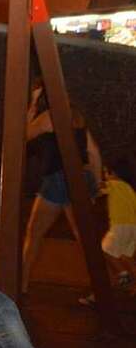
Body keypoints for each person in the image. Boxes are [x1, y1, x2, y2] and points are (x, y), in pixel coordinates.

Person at [21, 78, 102, 293]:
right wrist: (96, 186)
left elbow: (23, 135)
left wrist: (33, 103)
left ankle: (21, 284)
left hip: (57, 179)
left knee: (34, 233)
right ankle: (101, 287)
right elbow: (93, 152)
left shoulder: (49, 116)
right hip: (82, 178)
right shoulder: (77, 117)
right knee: (85, 238)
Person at [79, 156, 136, 305]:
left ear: (114, 173)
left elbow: (98, 189)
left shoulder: (113, 184)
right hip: (133, 227)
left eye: (106, 172)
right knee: (125, 257)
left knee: (104, 251)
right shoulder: (130, 188)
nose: (105, 175)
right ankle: (129, 283)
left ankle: (123, 275)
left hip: (120, 226)